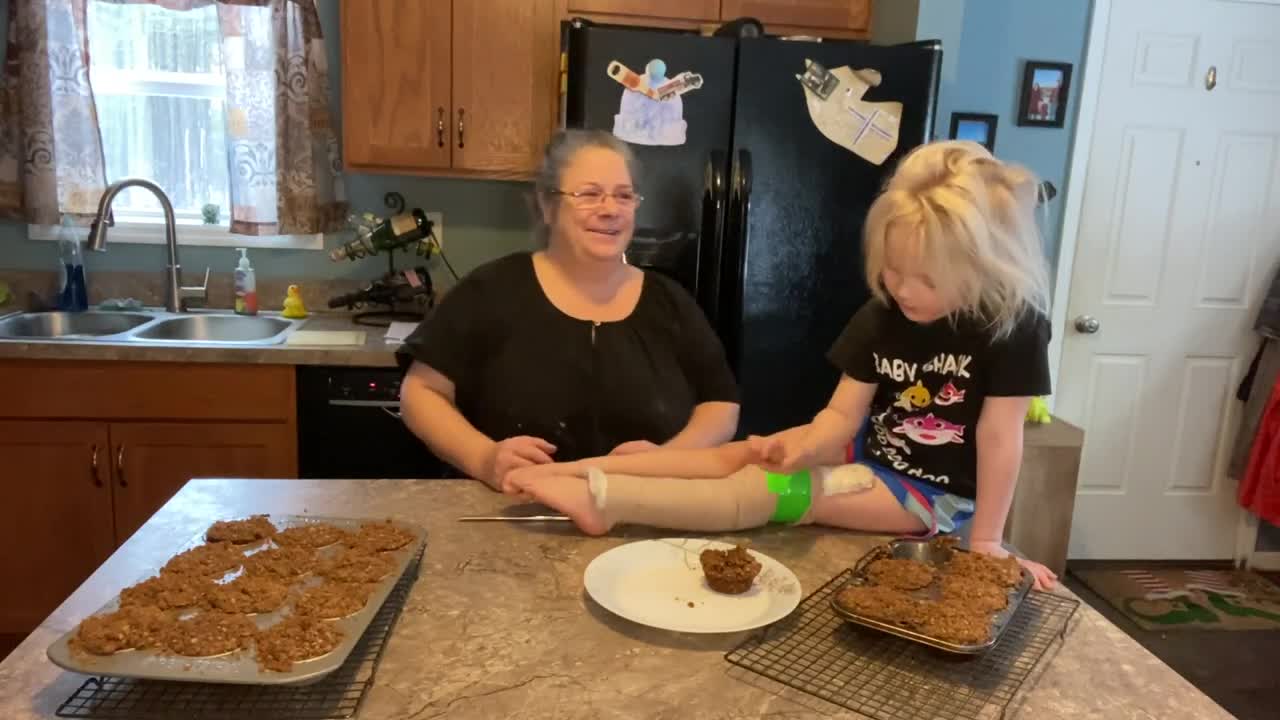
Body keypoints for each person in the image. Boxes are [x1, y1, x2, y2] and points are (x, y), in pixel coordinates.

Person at [507, 140, 1059, 590]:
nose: (904, 291)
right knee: (747, 453)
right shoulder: (883, 314)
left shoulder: (1013, 326)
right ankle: (573, 470)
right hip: (866, 457)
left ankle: (609, 502)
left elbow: (1000, 437)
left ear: (982, 267)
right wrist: (801, 447)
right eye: (892, 271)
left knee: (775, 492)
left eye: (928, 280)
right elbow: (841, 417)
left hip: (934, 499)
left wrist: (987, 542)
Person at [398, 129, 740, 491]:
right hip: (510, 516)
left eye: (623, 196)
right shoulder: (490, 291)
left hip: (641, 521)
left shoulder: (670, 302)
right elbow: (420, 392)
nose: (609, 210)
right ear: (548, 206)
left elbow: (721, 404)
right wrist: (484, 458)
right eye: (589, 194)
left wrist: (668, 461)